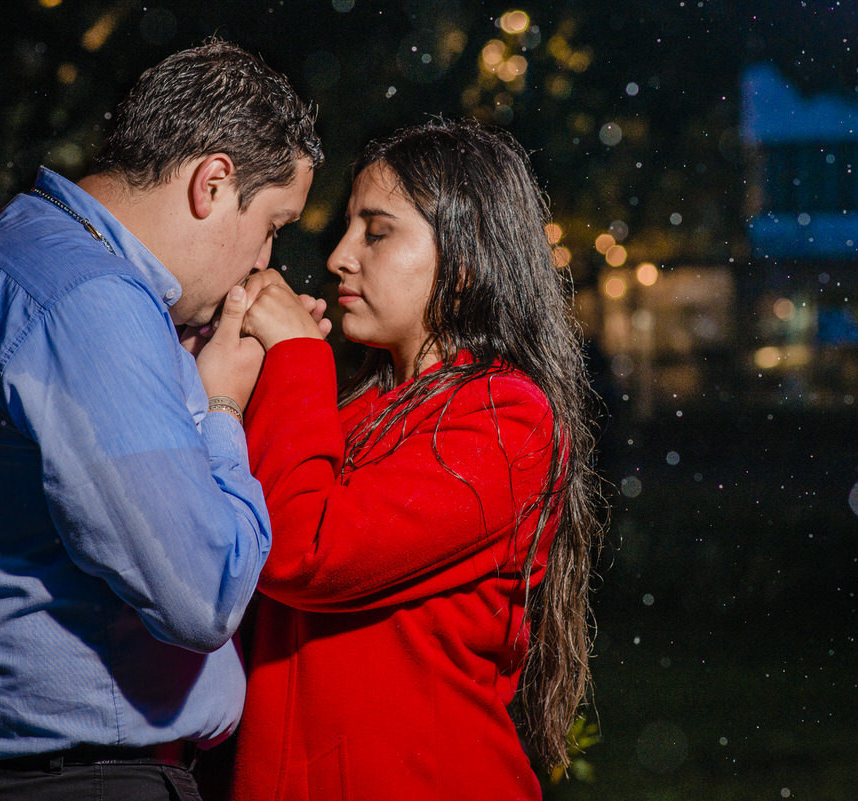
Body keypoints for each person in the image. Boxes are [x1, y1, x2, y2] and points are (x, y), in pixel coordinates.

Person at [0, 41, 323, 801]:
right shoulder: (89, 299)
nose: (261, 259)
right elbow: (202, 591)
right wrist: (221, 409)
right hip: (78, 780)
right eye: (273, 223)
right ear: (212, 183)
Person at [227, 118, 602, 800]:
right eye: (347, 229)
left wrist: (295, 358)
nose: (340, 255)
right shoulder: (344, 416)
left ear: (464, 258)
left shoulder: (506, 418)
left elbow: (302, 550)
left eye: (376, 231)